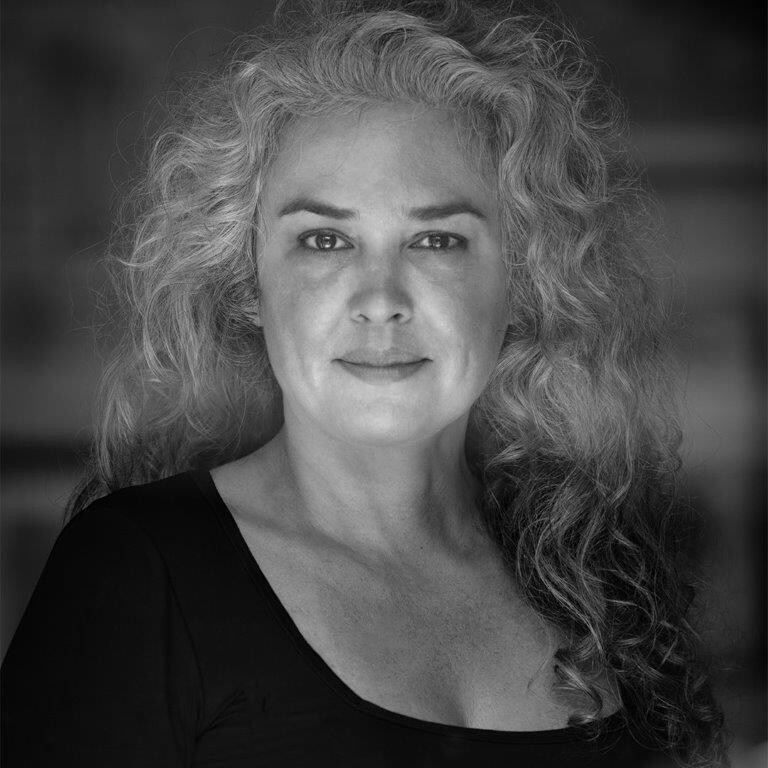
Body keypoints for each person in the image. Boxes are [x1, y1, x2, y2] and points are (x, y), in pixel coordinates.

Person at [1, 0, 728, 765]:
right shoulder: (135, 573)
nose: (381, 299)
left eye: (437, 239)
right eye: (324, 240)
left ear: (522, 283)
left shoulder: (595, 579)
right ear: (249, 283)